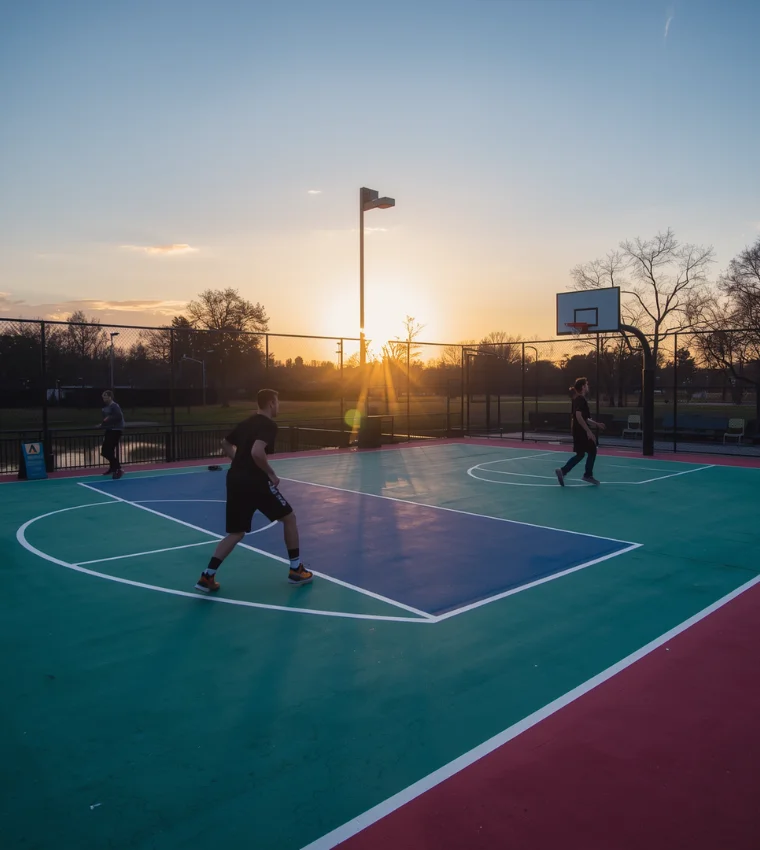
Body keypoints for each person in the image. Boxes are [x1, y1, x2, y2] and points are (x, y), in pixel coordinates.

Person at [194, 388, 313, 593]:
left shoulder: (247, 422)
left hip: (235, 479)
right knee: (289, 518)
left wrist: (239, 462)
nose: (279, 405)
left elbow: (225, 443)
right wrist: (271, 473)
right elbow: (257, 452)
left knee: (236, 532)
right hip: (254, 481)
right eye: (278, 401)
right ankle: (296, 570)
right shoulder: (268, 425)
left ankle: (207, 576)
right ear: (270, 403)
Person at [555, 377, 606, 487]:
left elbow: (585, 418)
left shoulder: (576, 399)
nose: (588, 386)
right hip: (581, 431)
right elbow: (578, 416)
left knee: (581, 454)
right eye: (586, 385)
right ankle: (587, 475)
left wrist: (596, 424)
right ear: (583, 387)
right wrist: (588, 431)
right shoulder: (581, 400)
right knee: (592, 450)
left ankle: (563, 471)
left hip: (577, 430)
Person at [100, 390, 125, 479]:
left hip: (116, 430)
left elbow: (118, 417)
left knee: (107, 451)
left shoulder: (115, 406)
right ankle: (113, 468)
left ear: (110, 397)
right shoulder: (106, 407)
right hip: (109, 430)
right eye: (103, 396)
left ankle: (118, 468)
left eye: (105, 396)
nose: (104, 398)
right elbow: (105, 419)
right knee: (106, 450)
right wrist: (102, 425)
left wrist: (108, 419)